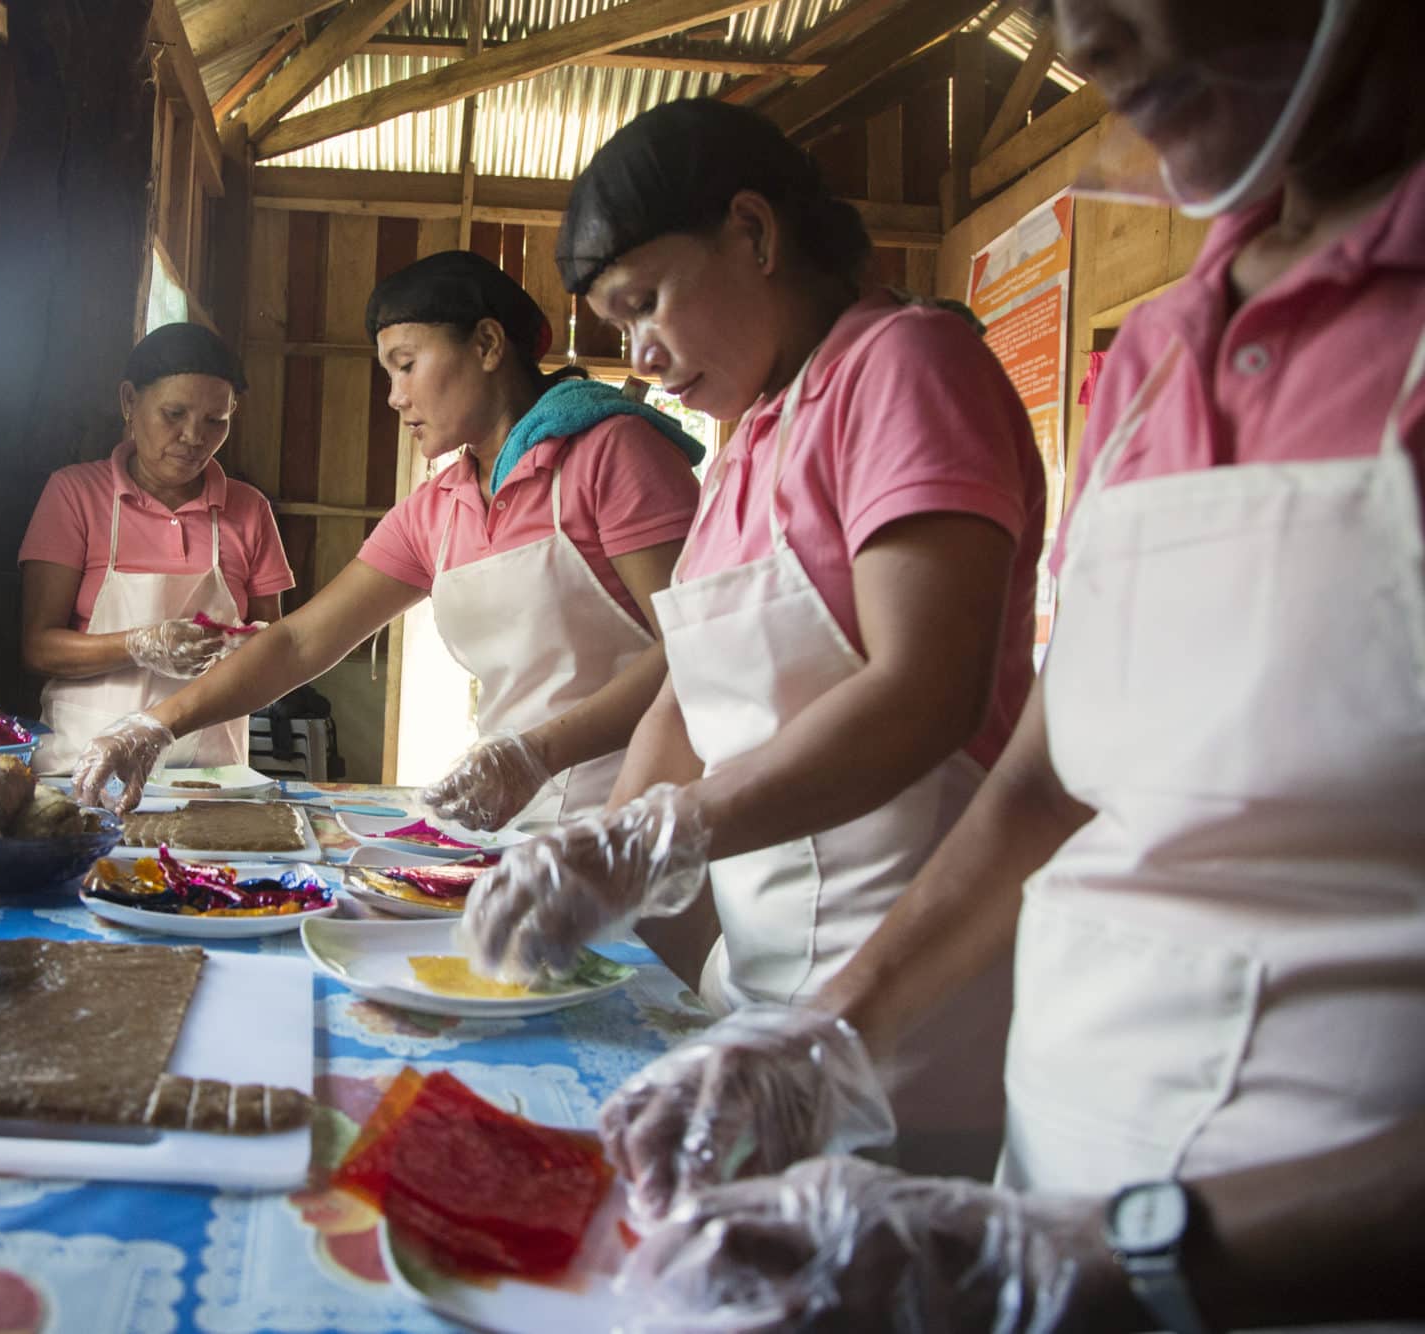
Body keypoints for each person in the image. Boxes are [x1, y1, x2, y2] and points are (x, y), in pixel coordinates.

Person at [597, 0, 1425, 1326]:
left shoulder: (906, 365)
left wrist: (1120, 1255)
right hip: (1046, 1180)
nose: (1077, 37)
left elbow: (925, 695)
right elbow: (1047, 788)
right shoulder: (1157, 355)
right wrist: (822, 1037)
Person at [459, 98, 1047, 1177]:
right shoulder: (746, 442)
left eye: (645, 303)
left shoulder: (906, 368)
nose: (641, 354)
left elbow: (927, 689)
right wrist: (604, 860)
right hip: (759, 992)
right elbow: (687, 698)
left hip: (901, 1022)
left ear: (754, 232)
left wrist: (655, 838)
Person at [72, 250, 704, 824]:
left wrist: (538, 752)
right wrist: (155, 725)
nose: (395, 397)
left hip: (648, 811)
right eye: (388, 374)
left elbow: (694, 647)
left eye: (406, 365)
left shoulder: (613, 455)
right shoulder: (438, 508)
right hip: (515, 816)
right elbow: (297, 641)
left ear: (487, 344)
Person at [19, 322, 293, 772]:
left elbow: (276, 650)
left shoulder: (248, 509)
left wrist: (252, 649)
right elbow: (39, 648)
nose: (193, 437)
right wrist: (142, 644)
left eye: (215, 421)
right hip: (84, 765)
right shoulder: (75, 494)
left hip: (211, 775)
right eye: (174, 414)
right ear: (129, 401)